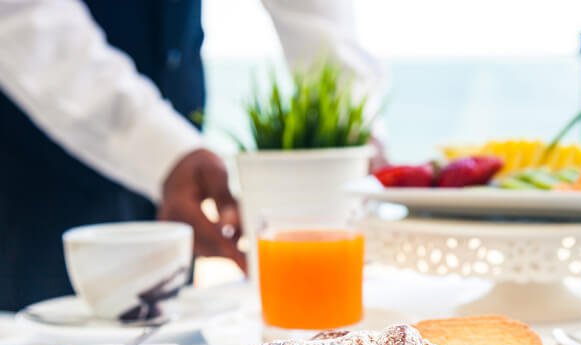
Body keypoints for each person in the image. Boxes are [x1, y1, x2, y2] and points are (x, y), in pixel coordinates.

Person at [0, 0, 386, 311]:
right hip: (37, 165)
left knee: (162, 340)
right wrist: (161, 150)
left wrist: (354, 117)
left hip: (176, 141)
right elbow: (24, 18)